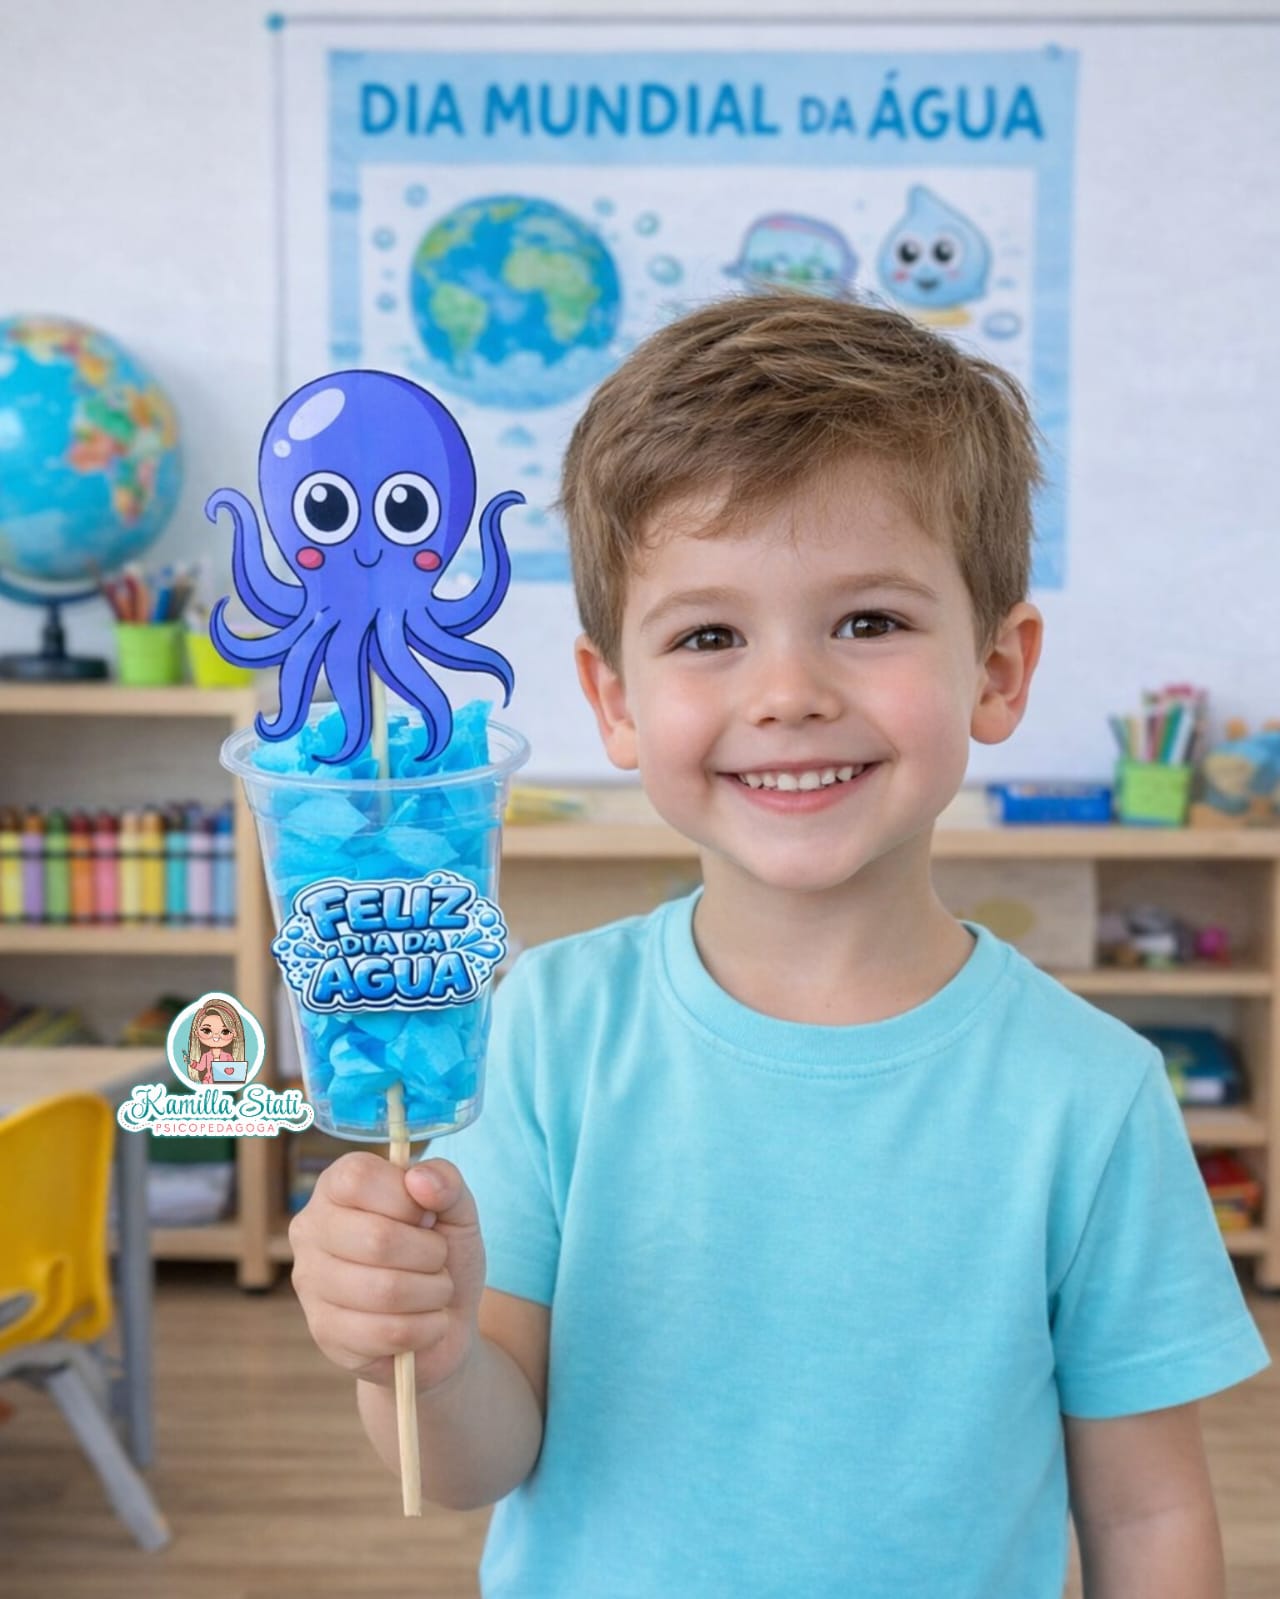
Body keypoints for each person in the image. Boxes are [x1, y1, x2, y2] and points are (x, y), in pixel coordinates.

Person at [288, 292, 1270, 1597]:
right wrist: (418, 1349)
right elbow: (476, 1463)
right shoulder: (542, 1029)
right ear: (614, 699)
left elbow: (1149, 1519)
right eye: (709, 636)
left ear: (997, 668)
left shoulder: (1091, 1094)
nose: (789, 694)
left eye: (869, 622)